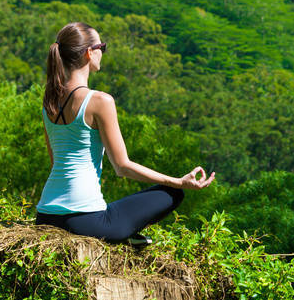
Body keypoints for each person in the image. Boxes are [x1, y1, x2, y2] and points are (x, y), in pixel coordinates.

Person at [35, 21, 214, 245]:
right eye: (103, 47)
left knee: (122, 206)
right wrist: (178, 182)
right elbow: (122, 167)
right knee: (171, 194)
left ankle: (129, 235)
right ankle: (126, 236)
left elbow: (56, 163)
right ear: (90, 53)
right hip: (87, 222)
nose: (103, 52)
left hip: (45, 217)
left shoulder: (48, 103)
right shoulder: (100, 101)